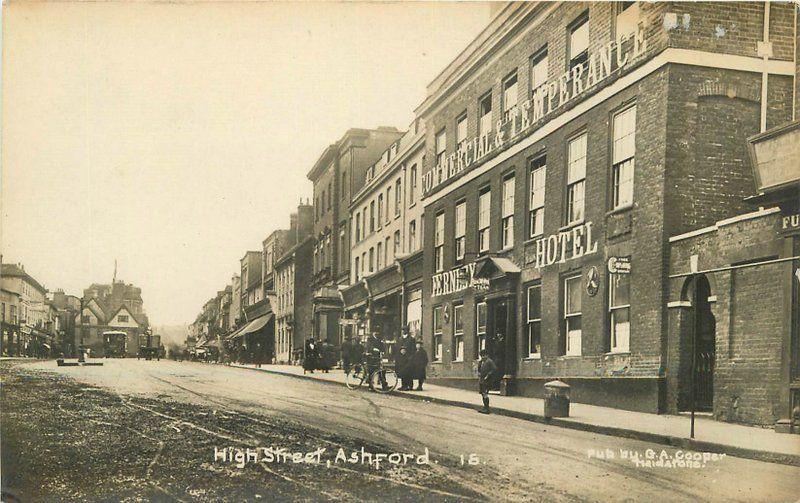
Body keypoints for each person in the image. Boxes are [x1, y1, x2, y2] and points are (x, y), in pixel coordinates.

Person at [477, 349, 498, 414]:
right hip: (482, 380)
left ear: (487, 355)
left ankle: (487, 408)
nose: (483, 357)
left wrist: (488, 375)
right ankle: (485, 407)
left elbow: (494, 369)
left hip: (487, 380)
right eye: (481, 356)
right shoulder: (481, 362)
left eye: (484, 355)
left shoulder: (489, 361)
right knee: (483, 394)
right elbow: (479, 370)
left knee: (485, 394)